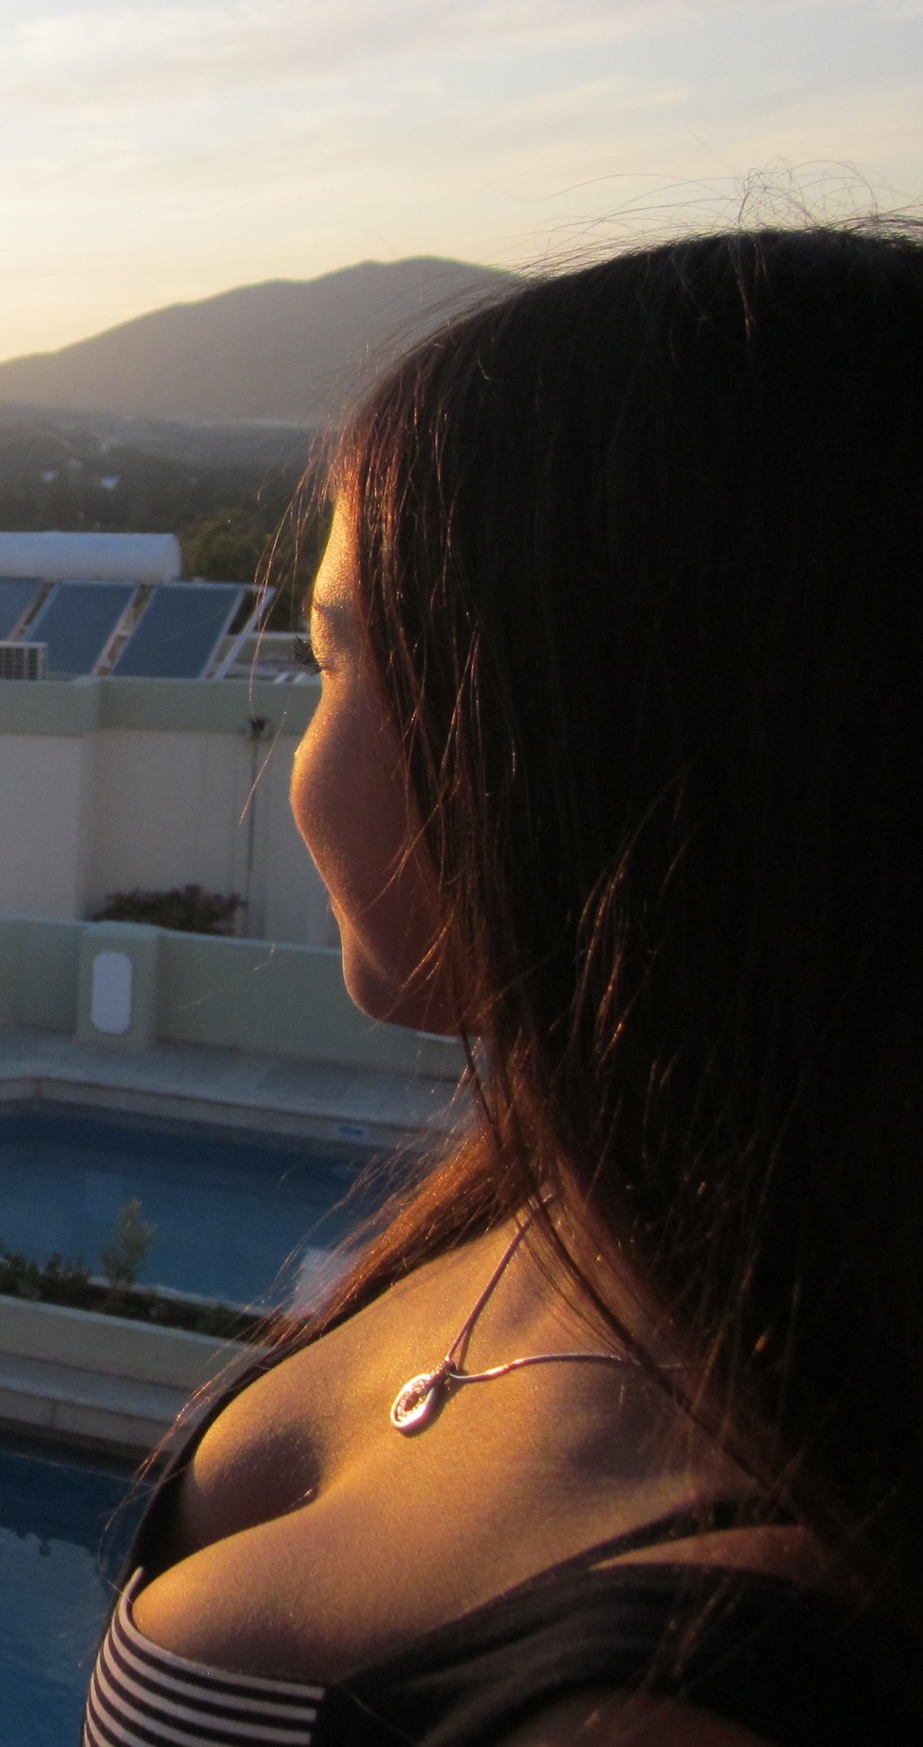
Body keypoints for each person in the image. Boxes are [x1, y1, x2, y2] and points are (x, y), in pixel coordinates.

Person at [82, 225, 923, 1746]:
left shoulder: (685, 1696)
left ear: (602, 739)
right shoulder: (572, 1215)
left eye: (338, 665)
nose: (297, 764)